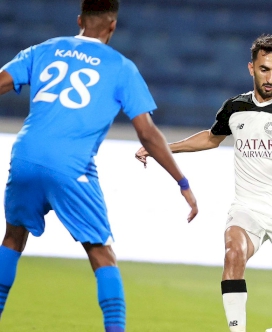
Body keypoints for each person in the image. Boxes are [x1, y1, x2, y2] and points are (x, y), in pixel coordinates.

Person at [0, 1, 198, 331]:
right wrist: (182, 182)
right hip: (70, 165)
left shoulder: (44, 49)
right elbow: (147, 133)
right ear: (112, 26)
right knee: (101, 253)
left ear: (80, 20)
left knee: (12, 238)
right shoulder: (121, 68)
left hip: (25, 154)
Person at [134, 34, 272, 332]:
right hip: (248, 207)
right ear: (251, 68)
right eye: (264, 69)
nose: (270, 77)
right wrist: (162, 147)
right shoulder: (235, 107)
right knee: (233, 253)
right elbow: (211, 138)